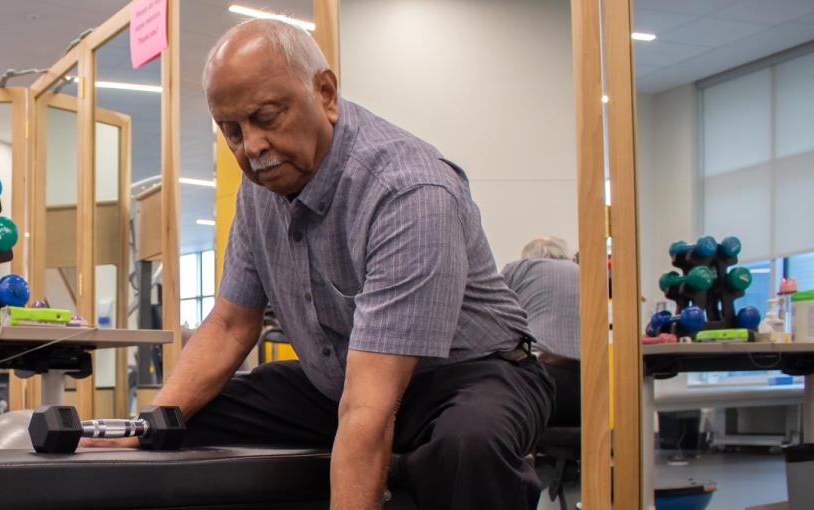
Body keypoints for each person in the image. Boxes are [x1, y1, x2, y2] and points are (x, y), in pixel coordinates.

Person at [89, 19, 553, 509]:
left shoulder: (408, 191)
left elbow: (370, 405)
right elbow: (229, 325)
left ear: (325, 93)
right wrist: (150, 422)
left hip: (471, 376)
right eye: (232, 132)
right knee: (181, 423)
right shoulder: (260, 188)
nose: (251, 148)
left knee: (467, 448)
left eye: (266, 117)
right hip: (339, 382)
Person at [502, 238, 581, 427]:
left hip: (539, 383)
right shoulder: (584, 272)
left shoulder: (518, 269)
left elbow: (495, 320)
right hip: (588, 386)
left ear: (526, 257)